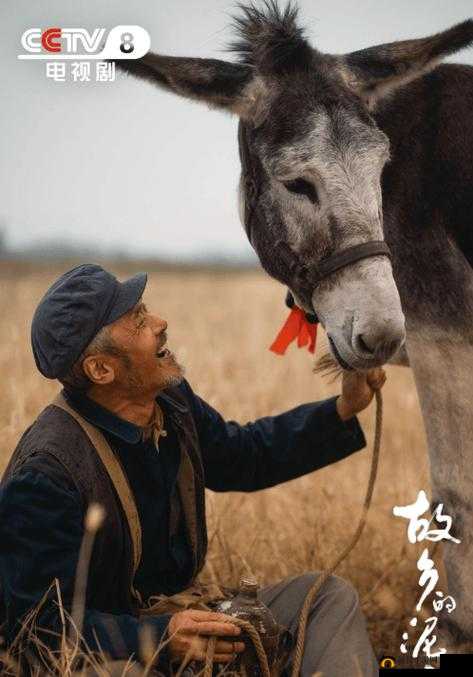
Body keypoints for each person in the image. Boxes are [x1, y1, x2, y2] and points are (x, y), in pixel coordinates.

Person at [0, 264, 385, 676]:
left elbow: (244, 455)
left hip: (194, 619)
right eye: (139, 321)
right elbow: (37, 630)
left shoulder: (170, 400)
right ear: (101, 370)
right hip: (121, 657)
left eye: (146, 309)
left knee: (326, 597)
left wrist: (344, 410)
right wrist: (157, 638)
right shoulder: (45, 475)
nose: (161, 323)